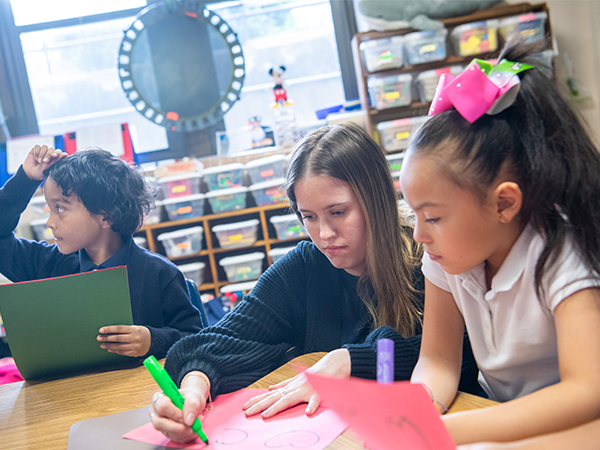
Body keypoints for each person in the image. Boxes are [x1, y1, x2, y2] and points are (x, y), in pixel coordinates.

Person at [150, 122, 480, 443]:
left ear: (375, 199)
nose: (324, 234)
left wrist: (350, 361)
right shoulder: (305, 266)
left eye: (338, 212)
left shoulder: (429, 256)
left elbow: (459, 356)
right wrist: (194, 385)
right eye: (308, 217)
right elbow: (210, 342)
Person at [401, 40, 600, 446]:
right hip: (499, 417)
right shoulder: (447, 255)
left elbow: (587, 391)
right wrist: (417, 412)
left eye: (434, 217)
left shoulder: (561, 256)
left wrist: (449, 431)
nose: (420, 235)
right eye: (415, 215)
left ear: (504, 203)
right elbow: (437, 360)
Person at [0, 145, 202, 359]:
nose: (50, 222)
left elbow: (196, 340)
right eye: (50, 209)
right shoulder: (48, 264)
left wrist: (154, 340)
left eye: (60, 208)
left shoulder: (160, 274)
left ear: (107, 215)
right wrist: (25, 180)